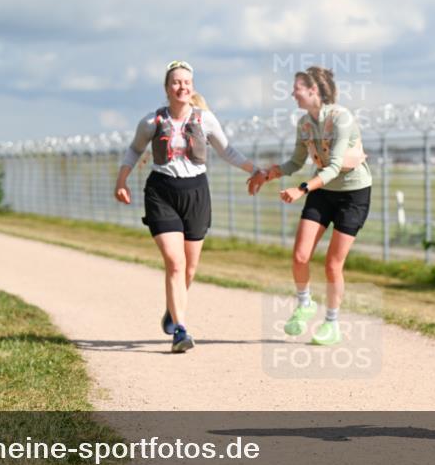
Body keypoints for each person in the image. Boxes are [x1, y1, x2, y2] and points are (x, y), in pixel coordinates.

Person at [114, 61, 264, 353]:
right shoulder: (151, 122)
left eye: (187, 82)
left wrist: (254, 169)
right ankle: (180, 331)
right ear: (167, 88)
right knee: (175, 262)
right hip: (161, 192)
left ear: (192, 87)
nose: (182, 87)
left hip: (196, 192)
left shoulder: (205, 119)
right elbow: (135, 149)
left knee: (191, 268)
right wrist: (121, 180)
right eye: (176, 82)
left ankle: (173, 309)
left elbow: (227, 151)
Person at [249, 66, 372, 346]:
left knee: (332, 264)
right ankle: (305, 304)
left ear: (313, 90)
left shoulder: (341, 119)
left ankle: (332, 324)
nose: (293, 93)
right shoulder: (305, 124)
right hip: (322, 191)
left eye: (297, 88)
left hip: (353, 194)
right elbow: (295, 162)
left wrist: (302, 189)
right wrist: (268, 174)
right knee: (300, 256)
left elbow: (335, 167)